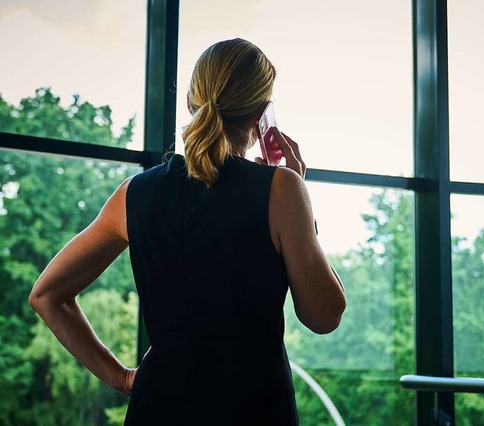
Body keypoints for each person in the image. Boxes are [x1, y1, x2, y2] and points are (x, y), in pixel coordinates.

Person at [28, 38, 347, 425]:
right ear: (262, 114)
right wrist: (300, 199)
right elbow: (324, 317)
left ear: (190, 104)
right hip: (255, 410)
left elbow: (47, 295)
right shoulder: (280, 189)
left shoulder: (135, 193)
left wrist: (121, 378)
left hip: (156, 409)